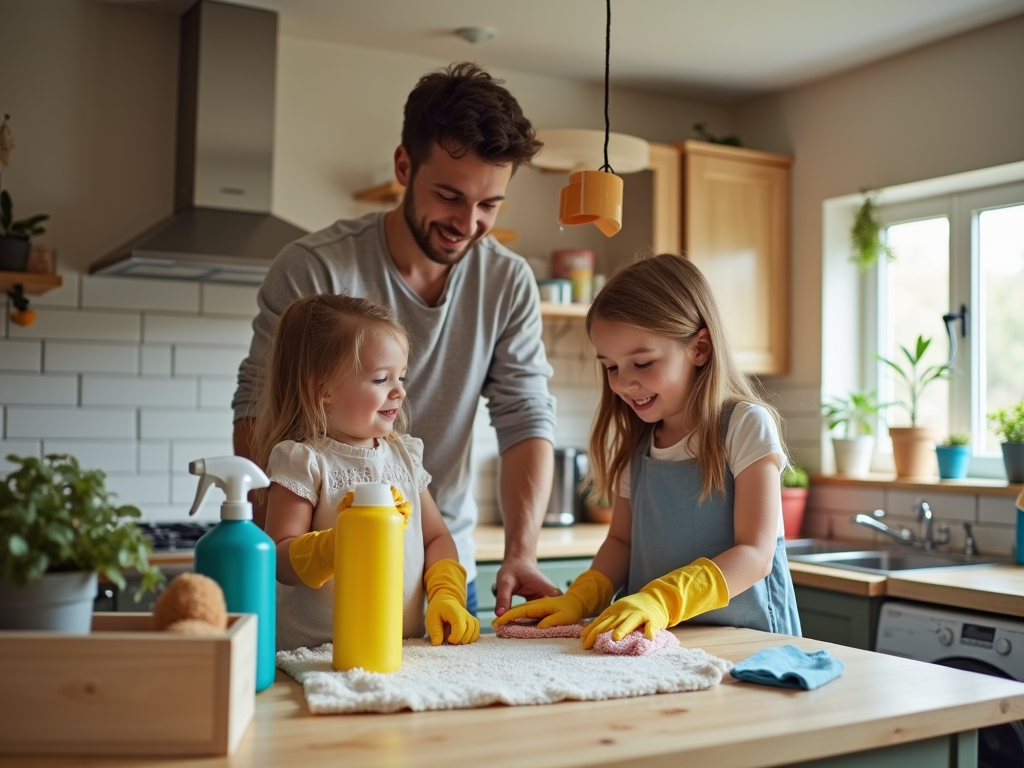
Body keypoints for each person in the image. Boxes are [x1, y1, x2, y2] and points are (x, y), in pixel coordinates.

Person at [232, 62, 561, 618]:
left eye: (490, 205)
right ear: (404, 166)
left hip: (434, 567)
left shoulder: (508, 280)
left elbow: (525, 417)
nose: (468, 222)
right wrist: (289, 551)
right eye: (450, 196)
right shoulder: (315, 268)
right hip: (321, 585)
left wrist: (520, 552)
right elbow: (258, 408)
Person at [493, 253, 801, 645]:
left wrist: (661, 599)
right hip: (656, 645)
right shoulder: (637, 441)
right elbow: (621, 542)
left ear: (700, 348)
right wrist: (580, 598)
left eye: (641, 363)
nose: (623, 383)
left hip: (748, 645)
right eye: (611, 367)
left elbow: (755, 555)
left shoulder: (744, 425)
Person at [253, 293, 479, 650]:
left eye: (401, 377)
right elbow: (280, 558)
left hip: (403, 648)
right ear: (323, 388)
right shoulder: (304, 460)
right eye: (380, 380)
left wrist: (446, 592)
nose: (399, 392)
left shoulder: (404, 455)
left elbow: (436, 538)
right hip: (320, 654)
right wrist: (339, 543)